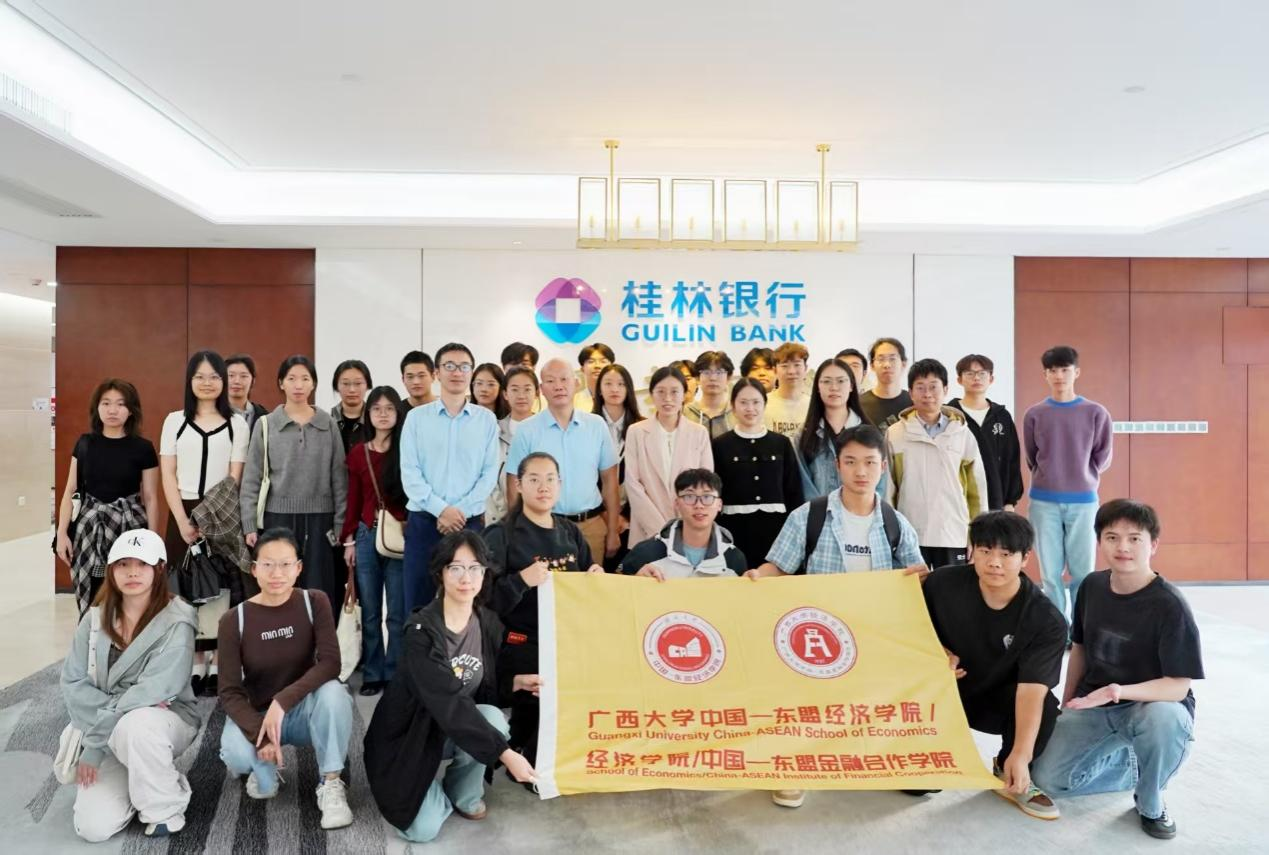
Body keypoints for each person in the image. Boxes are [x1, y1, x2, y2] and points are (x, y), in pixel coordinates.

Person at [746, 425, 923, 809]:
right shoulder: (808, 516)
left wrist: (921, 578)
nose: (861, 471)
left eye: (870, 463)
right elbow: (779, 566)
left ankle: (892, 757)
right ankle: (792, 769)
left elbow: (918, 576)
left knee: (876, 701)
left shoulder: (895, 522)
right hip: (818, 633)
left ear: (882, 468)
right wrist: (759, 576)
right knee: (804, 705)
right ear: (837, 465)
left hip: (873, 635)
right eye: (851, 462)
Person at [1032, 500, 1203, 840]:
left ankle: (1150, 798)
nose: (1123, 547)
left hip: (1149, 707)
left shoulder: (1170, 605)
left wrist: (1119, 691)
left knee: (1164, 719)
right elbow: (1080, 648)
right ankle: (1131, 765)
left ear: (1153, 545)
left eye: (1134, 538)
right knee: (1048, 779)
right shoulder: (1091, 587)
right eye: (1112, 537)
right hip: (1096, 706)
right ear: (1099, 542)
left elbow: (1177, 687)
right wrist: (1068, 702)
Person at [364, 531, 536, 843]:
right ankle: (426, 787)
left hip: (451, 729)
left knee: (493, 718)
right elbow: (449, 701)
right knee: (422, 830)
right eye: (455, 568)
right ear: (440, 573)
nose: (465, 578)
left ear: (484, 574)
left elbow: (480, 688)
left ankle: (462, 792)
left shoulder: (486, 622)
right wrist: (505, 754)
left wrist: (515, 683)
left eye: (474, 568)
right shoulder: (420, 632)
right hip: (410, 736)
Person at [921, 511, 1066, 820]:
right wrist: (937, 652)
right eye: (985, 551)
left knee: (1046, 706)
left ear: (1025, 558)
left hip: (1001, 700)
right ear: (972, 550)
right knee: (919, 786)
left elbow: (1031, 691)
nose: (994, 562)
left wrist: (1021, 755)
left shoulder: (1046, 620)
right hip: (946, 692)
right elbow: (906, 621)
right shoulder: (941, 583)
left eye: (1006, 554)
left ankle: (1008, 770)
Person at [61, 528, 199, 841]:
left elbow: (155, 689)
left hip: (161, 722)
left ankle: (164, 808)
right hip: (107, 729)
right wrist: (104, 729)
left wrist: (95, 744)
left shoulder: (178, 620)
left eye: (142, 564)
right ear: (111, 570)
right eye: (123, 564)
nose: (132, 572)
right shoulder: (94, 619)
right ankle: (144, 777)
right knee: (92, 828)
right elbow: (73, 682)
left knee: (137, 724)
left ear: (159, 569)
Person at [217, 528, 353, 830]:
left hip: (303, 711)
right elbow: (229, 692)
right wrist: (261, 734)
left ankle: (331, 782)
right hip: (259, 715)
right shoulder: (233, 620)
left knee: (334, 693)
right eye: (267, 564)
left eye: (285, 564)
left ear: (298, 568)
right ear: (254, 569)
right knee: (237, 757)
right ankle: (263, 766)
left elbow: (331, 664)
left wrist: (282, 701)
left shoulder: (314, 601)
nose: (276, 573)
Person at [485, 453, 603, 766]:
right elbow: (484, 598)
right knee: (537, 708)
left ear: (560, 484)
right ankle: (524, 754)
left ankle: (537, 753)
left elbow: (587, 576)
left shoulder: (569, 532)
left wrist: (595, 575)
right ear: (518, 485)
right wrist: (521, 580)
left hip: (566, 638)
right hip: (521, 641)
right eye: (534, 479)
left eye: (550, 479)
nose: (543, 487)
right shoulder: (501, 535)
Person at [159, 350, 248, 694]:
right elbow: (168, 474)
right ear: (189, 381)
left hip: (222, 513)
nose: (207, 383)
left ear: (223, 382)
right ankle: (196, 661)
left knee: (222, 589)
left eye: (214, 377)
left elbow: (235, 477)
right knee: (186, 590)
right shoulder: (174, 421)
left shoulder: (237, 423)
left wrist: (209, 517)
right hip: (182, 510)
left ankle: (219, 660)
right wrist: (182, 520)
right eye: (200, 376)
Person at [239, 355, 348, 610]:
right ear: (281, 383)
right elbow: (252, 478)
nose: (298, 385)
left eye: (305, 379)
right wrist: (249, 524)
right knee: (278, 587)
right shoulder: (266, 425)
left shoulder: (328, 424)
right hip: (277, 519)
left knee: (319, 591)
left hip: (321, 521)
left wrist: (340, 523)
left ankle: (319, 637)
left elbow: (339, 479)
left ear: (314, 384)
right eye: (291, 378)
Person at [399, 343, 500, 611]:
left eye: (464, 367)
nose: (457, 372)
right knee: (418, 603)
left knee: (469, 603)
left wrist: (459, 512)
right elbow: (410, 473)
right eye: (450, 366)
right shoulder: (416, 418)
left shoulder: (486, 420)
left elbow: (489, 474)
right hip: (424, 523)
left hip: (469, 523)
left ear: (471, 372)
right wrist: (442, 510)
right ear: (437, 373)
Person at [1023, 345, 1114, 622]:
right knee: (1049, 574)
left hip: (1083, 503)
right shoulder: (1035, 414)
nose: (1059, 376)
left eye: (1064, 369)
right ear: (1045, 375)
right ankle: (1057, 629)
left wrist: (1081, 475)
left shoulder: (1096, 413)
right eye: (1052, 370)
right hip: (1043, 502)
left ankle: (1081, 629)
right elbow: (1032, 456)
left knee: (1082, 573)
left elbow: (1102, 456)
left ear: (1077, 372)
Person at [56, 379, 161, 615]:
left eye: (120, 404)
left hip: (129, 526)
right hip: (89, 528)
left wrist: (153, 541)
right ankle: (92, 635)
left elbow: (151, 497)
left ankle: (125, 635)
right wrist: (61, 533)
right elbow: (70, 490)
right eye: (106, 403)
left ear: (131, 410)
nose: (113, 410)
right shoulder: (85, 443)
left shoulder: (143, 448)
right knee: (93, 594)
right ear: (97, 407)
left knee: (128, 593)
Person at [505, 358, 622, 563]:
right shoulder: (527, 430)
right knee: (547, 583)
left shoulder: (596, 425)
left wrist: (612, 530)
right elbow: (514, 484)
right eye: (550, 381)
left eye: (564, 379)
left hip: (591, 525)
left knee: (592, 581)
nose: (558, 386)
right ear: (542, 389)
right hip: (543, 526)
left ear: (576, 383)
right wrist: (518, 530)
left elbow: (610, 481)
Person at [886, 358, 988, 569]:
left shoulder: (962, 433)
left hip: (952, 533)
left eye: (934, 387)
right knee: (913, 590)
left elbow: (977, 491)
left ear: (946, 390)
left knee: (951, 589)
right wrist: (890, 533)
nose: (927, 394)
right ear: (911, 393)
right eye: (920, 388)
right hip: (910, 533)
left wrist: (978, 534)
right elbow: (888, 488)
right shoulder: (895, 434)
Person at [340, 386, 409, 696]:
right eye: (377, 409)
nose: (383, 414)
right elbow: (353, 500)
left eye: (389, 409)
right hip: (367, 534)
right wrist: (349, 541)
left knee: (396, 611)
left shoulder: (407, 449)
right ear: (368, 414)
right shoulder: (359, 453)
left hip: (399, 536)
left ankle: (394, 673)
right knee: (369, 610)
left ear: (398, 413)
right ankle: (373, 673)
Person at [712, 378, 803, 568]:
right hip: (734, 530)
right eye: (743, 402)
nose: (750, 408)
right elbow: (716, 491)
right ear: (733, 406)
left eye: (756, 402)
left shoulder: (781, 443)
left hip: (777, 531)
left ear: (765, 404)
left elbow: (793, 490)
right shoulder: (720, 445)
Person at [623, 366, 715, 545]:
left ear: (684, 395)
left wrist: (684, 526)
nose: (668, 398)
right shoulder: (636, 431)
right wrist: (660, 529)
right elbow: (633, 484)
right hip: (647, 531)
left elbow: (704, 485)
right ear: (652, 395)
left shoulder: (699, 433)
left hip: (688, 529)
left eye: (674, 392)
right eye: (661, 392)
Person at [619, 469, 748, 579]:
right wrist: (636, 578)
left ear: (719, 505)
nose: (699, 505)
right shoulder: (648, 552)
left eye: (707, 497)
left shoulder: (733, 558)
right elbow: (617, 587)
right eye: (689, 497)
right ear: (677, 504)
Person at [948, 354, 1023, 512]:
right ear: (959, 380)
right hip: (958, 500)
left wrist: (1010, 501)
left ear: (991, 379)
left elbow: (1012, 459)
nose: (976, 378)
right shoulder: (950, 415)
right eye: (969, 373)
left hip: (996, 499)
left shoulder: (1002, 416)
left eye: (982, 373)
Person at [794, 358, 869, 500]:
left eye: (841, 381)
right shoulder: (804, 435)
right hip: (818, 512)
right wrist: (821, 510)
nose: (834, 387)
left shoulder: (868, 432)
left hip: (860, 511)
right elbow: (803, 485)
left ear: (851, 386)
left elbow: (880, 483)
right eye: (826, 381)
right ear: (817, 387)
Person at [487, 366, 540, 525]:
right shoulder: (493, 431)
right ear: (505, 394)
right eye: (515, 389)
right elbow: (487, 476)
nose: (521, 396)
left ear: (537, 393)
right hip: (500, 516)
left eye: (527, 389)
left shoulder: (547, 430)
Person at [859, 337, 913, 429]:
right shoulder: (859, 405)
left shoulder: (914, 402)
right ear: (872, 366)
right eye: (881, 359)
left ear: (903, 364)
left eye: (892, 359)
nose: (887, 365)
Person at [685, 350, 737, 439]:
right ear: (697, 378)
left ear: (728, 377)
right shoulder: (685, 413)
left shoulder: (738, 412)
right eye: (706, 372)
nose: (713, 378)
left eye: (719, 372)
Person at [764, 342, 811, 438]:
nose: (791, 371)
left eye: (797, 365)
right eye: (785, 366)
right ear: (775, 370)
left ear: (805, 368)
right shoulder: (763, 403)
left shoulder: (813, 405)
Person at [329, 359, 373, 452]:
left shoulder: (374, 420)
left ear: (367, 385)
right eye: (345, 383)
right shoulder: (327, 421)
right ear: (336, 386)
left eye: (358, 383)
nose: (352, 389)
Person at [225, 354, 270, 432]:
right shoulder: (212, 413)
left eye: (243, 376)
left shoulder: (264, 417)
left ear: (253, 380)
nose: (237, 381)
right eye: (231, 375)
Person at [573, 342, 615, 413]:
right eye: (591, 361)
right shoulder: (573, 401)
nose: (597, 366)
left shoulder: (623, 397)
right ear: (582, 369)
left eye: (603, 361)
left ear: (612, 367)